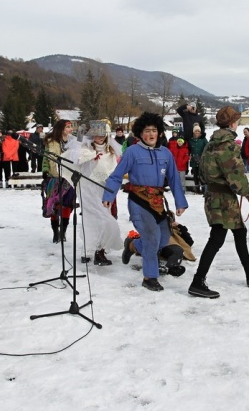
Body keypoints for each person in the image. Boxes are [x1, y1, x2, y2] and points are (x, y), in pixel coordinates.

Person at [102, 112, 188, 292]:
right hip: (138, 201)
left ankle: (133, 245)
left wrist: (180, 202)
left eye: (154, 130)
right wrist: (108, 196)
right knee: (151, 237)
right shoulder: (132, 152)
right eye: (147, 131)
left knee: (162, 239)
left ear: (159, 132)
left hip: (157, 202)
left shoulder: (166, 153)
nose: (151, 134)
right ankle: (150, 277)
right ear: (140, 133)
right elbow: (116, 176)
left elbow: (174, 179)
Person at [188, 106, 249, 298]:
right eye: (237, 120)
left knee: (239, 232)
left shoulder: (211, 143)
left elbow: (204, 172)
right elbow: (235, 176)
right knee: (217, 238)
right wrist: (247, 191)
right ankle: (197, 282)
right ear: (232, 123)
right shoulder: (228, 145)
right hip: (223, 199)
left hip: (214, 196)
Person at [76, 120, 123, 265]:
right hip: (87, 189)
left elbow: (113, 171)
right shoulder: (85, 148)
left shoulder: (111, 151)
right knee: (89, 219)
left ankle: (100, 251)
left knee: (104, 219)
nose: (100, 137)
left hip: (103, 190)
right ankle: (87, 250)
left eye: (103, 134)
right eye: (97, 134)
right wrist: (90, 155)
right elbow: (76, 159)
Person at [42, 119, 80, 243]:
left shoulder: (74, 141)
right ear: (61, 128)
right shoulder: (51, 142)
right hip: (54, 176)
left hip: (69, 178)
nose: (71, 129)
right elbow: (46, 157)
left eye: (71, 126)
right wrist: (45, 170)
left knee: (67, 206)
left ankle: (63, 231)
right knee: (53, 205)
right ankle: (55, 231)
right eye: (68, 127)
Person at [188, 125, 207, 193]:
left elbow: (207, 148)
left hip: (201, 160)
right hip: (193, 160)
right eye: (196, 131)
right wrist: (189, 155)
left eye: (198, 131)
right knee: (195, 175)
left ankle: (203, 188)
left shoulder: (203, 140)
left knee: (202, 175)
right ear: (193, 132)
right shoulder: (191, 140)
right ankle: (197, 188)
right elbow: (188, 150)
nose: (197, 132)